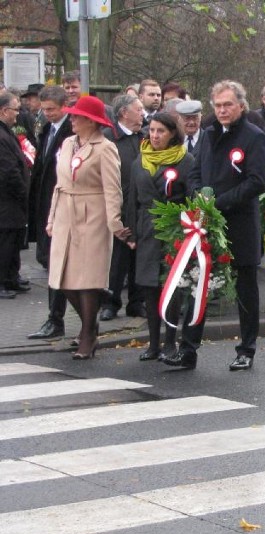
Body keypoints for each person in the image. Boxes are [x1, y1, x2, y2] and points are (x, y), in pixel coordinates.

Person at [166, 80, 265, 371]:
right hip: (207, 223)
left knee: (245, 289)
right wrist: (199, 197)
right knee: (197, 284)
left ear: (240, 105)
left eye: (228, 105)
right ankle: (188, 349)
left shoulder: (255, 137)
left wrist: (220, 202)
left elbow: (257, 181)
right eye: (218, 105)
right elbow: (196, 171)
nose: (222, 110)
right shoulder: (210, 135)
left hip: (238, 224)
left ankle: (246, 349)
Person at [46, 96, 132, 359]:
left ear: (91, 122)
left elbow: (112, 189)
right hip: (65, 213)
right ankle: (89, 323)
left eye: (76, 116)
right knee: (63, 280)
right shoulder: (68, 143)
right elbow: (58, 184)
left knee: (87, 280)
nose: (71, 120)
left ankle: (87, 334)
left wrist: (115, 223)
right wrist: (51, 218)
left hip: (92, 215)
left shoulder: (104, 148)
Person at [127, 112, 195, 362]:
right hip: (146, 229)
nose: (154, 136)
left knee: (171, 287)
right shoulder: (139, 161)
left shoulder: (185, 160)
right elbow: (132, 200)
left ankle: (170, 343)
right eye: (152, 131)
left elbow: (191, 196)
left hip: (173, 229)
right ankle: (153, 343)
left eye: (161, 132)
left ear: (172, 134)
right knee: (149, 288)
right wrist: (131, 232)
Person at [27, 87, 74, 337]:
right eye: (44, 110)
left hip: (65, 209)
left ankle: (59, 319)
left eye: (52, 109)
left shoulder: (71, 132)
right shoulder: (47, 130)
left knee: (61, 267)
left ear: (64, 106)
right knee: (52, 266)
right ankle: (54, 318)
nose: (47, 114)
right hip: (48, 207)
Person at [101, 94, 146, 321]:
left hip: (141, 207)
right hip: (118, 207)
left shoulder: (146, 137)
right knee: (117, 259)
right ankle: (110, 302)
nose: (143, 114)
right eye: (138, 110)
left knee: (139, 257)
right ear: (123, 113)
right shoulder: (108, 138)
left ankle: (136, 302)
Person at [0, 91, 30, 300]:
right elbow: (8, 170)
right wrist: (22, 192)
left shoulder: (6, 132)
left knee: (14, 240)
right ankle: (3, 281)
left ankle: (11, 277)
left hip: (12, 201)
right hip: (7, 201)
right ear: (4, 111)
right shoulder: (2, 136)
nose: (17, 115)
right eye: (15, 110)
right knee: (6, 241)